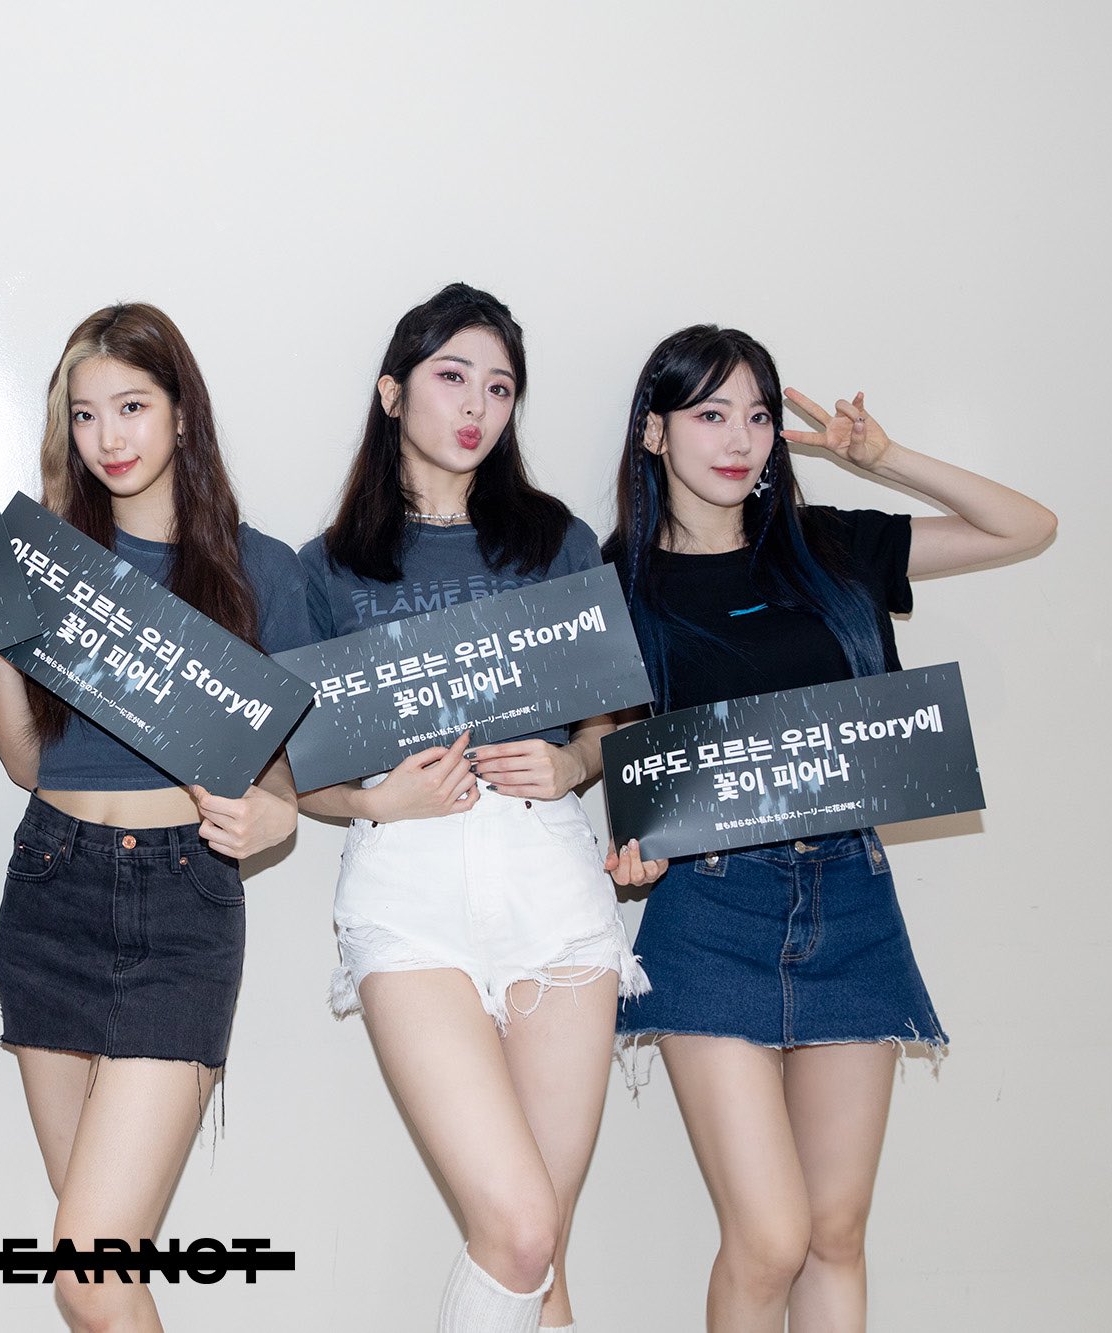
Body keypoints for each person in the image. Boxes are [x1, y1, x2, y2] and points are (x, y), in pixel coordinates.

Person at [604, 324, 1055, 1331]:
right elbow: (608, 752)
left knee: (836, 1232)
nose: (739, 438)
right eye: (710, 413)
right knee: (769, 1237)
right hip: (707, 907)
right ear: (654, 432)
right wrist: (628, 851)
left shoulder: (830, 546)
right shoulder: (616, 587)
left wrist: (881, 457)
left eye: (757, 415)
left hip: (850, 894)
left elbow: (1026, 526)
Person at [295, 283, 645, 1333]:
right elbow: (296, 774)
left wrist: (572, 765)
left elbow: (615, 723)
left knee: (544, 1249)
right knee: (520, 1230)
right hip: (407, 885)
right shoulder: (326, 569)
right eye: (452, 376)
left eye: (499, 387)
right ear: (392, 392)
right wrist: (379, 798)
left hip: (549, 878)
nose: (476, 406)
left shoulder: (556, 541)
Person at [0, 302, 316, 1331]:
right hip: (49, 887)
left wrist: (273, 821)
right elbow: (26, 763)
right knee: (101, 1271)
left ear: (181, 413)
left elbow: (290, 781)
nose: (108, 438)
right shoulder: (47, 562)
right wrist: (0, 645)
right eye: (84, 415)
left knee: (86, 1271)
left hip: (181, 903)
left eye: (130, 406)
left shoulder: (261, 570)